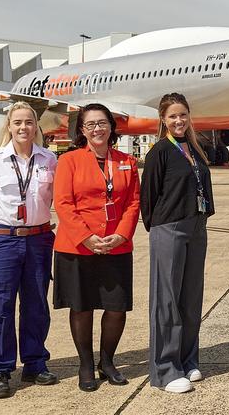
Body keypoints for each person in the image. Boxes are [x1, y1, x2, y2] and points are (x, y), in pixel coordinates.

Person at [52, 104, 141, 392]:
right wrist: (87, 237)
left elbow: (132, 202)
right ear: (82, 130)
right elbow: (63, 203)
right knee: (82, 306)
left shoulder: (127, 160)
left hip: (115, 245)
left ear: (111, 127)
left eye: (102, 123)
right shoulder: (69, 161)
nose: (97, 129)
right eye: (90, 125)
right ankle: (86, 365)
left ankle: (108, 361)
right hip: (78, 247)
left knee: (116, 307)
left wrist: (122, 235)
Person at [0, 102, 60, 398]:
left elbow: (54, 198)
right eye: (18, 123)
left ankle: (35, 363)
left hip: (39, 238)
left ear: (36, 126)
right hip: (4, 239)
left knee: (36, 303)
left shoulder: (49, 159)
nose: (24, 127)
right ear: (8, 127)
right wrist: (4, 226)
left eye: (29, 122)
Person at [142, 93, 216, 394]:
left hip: (196, 226)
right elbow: (148, 195)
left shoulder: (196, 149)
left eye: (183, 115)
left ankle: (187, 359)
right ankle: (164, 369)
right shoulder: (159, 151)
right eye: (172, 116)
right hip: (169, 228)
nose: (178, 121)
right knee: (167, 300)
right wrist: (159, 226)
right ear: (163, 119)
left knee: (190, 298)